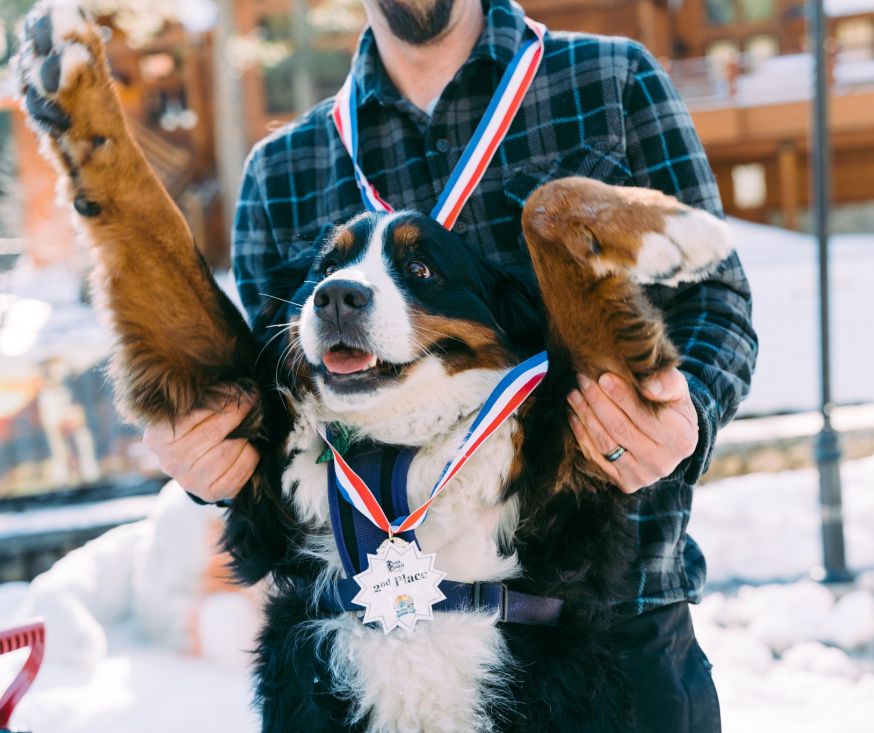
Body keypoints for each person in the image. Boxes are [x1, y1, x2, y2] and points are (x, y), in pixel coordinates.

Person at [144, 0, 758, 728]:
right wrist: (203, 449)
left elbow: (715, 302)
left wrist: (685, 414)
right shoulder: (281, 169)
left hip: (612, 630)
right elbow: (276, 399)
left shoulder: (611, 80)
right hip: (351, 661)